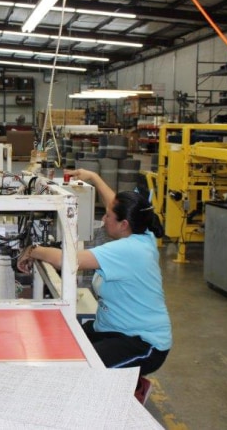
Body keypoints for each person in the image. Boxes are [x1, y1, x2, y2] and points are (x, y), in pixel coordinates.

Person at [17, 168, 171, 394]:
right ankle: (119, 377)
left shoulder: (127, 250)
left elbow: (66, 260)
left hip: (143, 342)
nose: (103, 218)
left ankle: (127, 385)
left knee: (80, 374)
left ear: (124, 224)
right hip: (111, 329)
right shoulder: (141, 230)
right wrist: (94, 177)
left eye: (108, 216)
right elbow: (115, 203)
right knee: (65, 348)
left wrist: (33, 249)